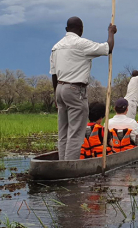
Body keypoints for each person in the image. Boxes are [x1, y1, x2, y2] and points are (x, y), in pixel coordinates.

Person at [50, 16, 117, 161]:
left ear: (66, 30)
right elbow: (108, 48)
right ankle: (69, 168)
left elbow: (54, 75)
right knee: (75, 133)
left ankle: (62, 163)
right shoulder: (81, 44)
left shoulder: (56, 47)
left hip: (60, 89)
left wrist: (56, 95)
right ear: (81, 30)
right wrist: (111, 32)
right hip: (75, 90)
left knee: (63, 132)